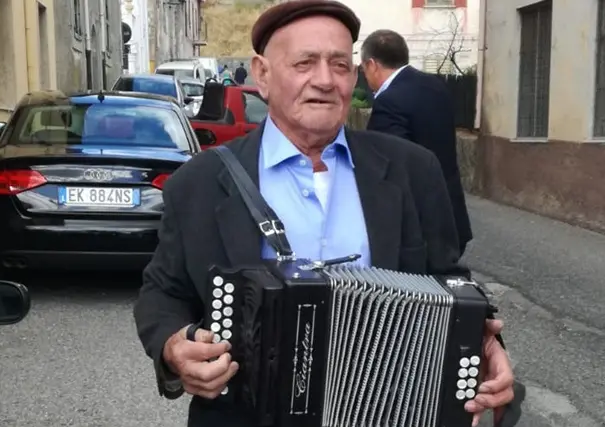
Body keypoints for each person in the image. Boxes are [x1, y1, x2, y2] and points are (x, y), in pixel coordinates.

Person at [132, 1, 515, 426]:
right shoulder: (199, 182)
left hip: (389, 414)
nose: (324, 80)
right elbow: (162, 292)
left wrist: (483, 342)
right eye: (304, 63)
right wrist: (172, 346)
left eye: (339, 64)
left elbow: (449, 278)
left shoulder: (413, 169)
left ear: (354, 75)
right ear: (262, 74)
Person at [361, 29, 473, 256]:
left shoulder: (389, 101)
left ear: (372, 64)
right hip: (451, 214)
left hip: (419, 228)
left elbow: (389, 168)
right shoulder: (436, 86)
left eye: (363, 69)